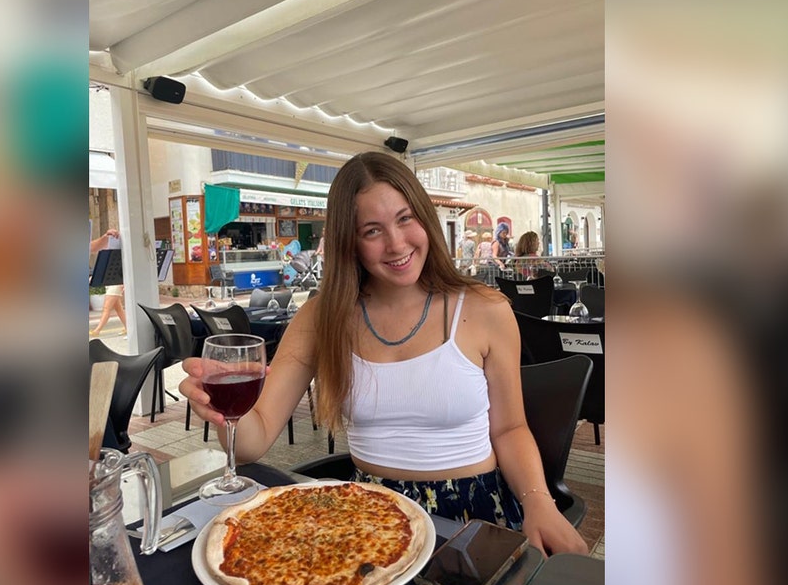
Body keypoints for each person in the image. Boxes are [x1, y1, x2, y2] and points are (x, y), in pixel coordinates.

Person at [179, 151, 587, 557]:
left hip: (473, 519)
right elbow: (253, 440)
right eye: (371, 230)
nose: (396, 244)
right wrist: (221, 408)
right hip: (365, 519)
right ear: (348, 242)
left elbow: (509, 429)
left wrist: (539, 501)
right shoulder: (321, 317)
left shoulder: (486, 309)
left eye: (405, 218)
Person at [90, 228, 126, 337]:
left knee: (107, 308)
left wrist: (106, 237)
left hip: (114, 282)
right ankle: (128, 327)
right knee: (118, 308)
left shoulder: (118, 247)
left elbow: (92, 247)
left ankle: (97, 330)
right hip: (111, 282)